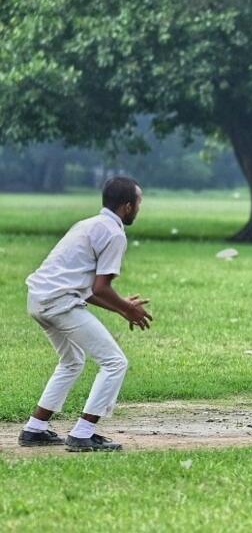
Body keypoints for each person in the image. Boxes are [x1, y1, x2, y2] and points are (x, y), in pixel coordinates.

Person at [18, 176, 152, 452]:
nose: (139, 208)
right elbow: (101, 287)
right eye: (139, 203)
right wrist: (128, 309)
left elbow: (91, 289)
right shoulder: (114, 233)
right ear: (127, 206)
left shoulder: (88, 224)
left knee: (72, 361)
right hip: (60, 303)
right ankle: (83, 433)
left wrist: (122, 308)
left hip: (38, 299)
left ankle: (35, 428)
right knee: (115, 362)